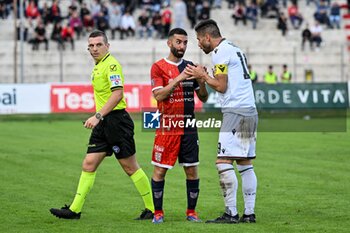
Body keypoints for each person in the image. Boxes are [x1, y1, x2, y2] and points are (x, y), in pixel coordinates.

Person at [49, 30, 154, 220]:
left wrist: (97, 116)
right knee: (89, 164)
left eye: (98, 45)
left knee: (130, 167)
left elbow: (117, 94)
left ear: (107, 46)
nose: (94, 49)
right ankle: (74, 210)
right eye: (91, 45)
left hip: (116, 122)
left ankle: (153, 209)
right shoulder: (98, 66)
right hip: (104, 122)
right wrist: (99, 118)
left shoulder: (112, 65)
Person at [185, 19, 258, 224]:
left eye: (199, 40)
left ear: (208, 37)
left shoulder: (220, 52)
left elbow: (221, 86)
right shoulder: (234, 48)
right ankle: (249, 214)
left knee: (222, 162)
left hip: (235, 111)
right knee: (244, 163)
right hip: (249, 110)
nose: (199, 44)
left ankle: (231, 213)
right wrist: (208, 78)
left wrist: (203, 76)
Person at [150, 28, 208, 224]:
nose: (182, 46)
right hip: (168, 125)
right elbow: (158, 95)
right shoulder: (158, 67)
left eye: (184, 42)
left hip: (189, 126)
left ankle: (191, 212)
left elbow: (203, 97)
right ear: (169, 43)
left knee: (191, 169)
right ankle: (158, 213)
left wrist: (202, 80)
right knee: (160, 170)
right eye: (178, 42)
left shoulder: (191, 67)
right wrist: (179, 79)